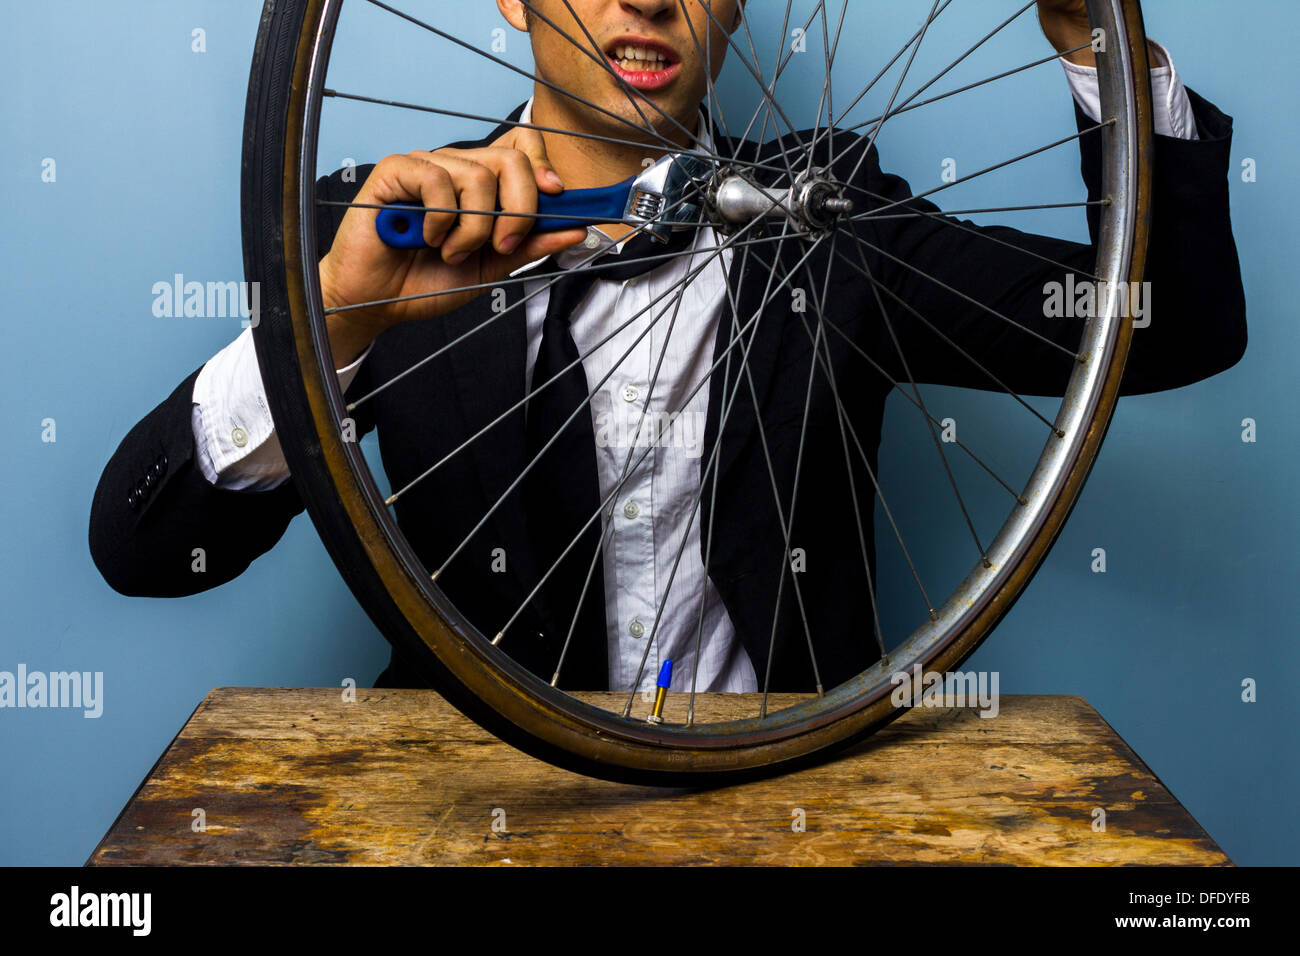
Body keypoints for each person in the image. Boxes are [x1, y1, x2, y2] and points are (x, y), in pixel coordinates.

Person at [89, 0, 1246, 694]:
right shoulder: (381, 226)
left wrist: (1093, 39)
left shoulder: (829, 212)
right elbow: (143, 549)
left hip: (790, 803)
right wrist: (333, 328)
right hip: (472, 814)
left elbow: (1168, 324)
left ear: (737, 3)